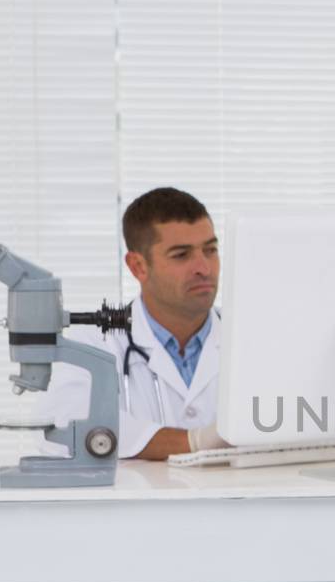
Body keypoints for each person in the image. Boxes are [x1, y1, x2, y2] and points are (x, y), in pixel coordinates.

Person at [43, 187, 232, 460]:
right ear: (138, 266)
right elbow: (63, 425)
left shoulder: (254, 338)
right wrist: (195, 441)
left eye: (210, 250)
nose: (204, 267)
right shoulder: (94, 344)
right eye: (181, 255)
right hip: (140, 503)